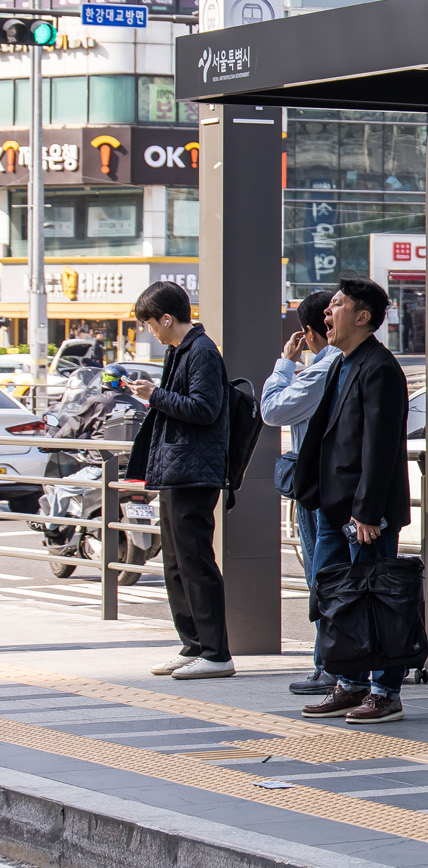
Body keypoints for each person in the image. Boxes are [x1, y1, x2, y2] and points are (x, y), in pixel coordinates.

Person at [295, 278, 413, 725]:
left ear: (363, 317)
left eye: (338, 304)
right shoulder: (342, 362)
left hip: (364, 511)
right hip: (332, 505)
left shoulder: (380, 367)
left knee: (376, 599)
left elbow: (381, 445)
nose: (328, 312)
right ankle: (349, 682)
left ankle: (385, 691)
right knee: (338, 598)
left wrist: (368, 510)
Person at [126, 281, 234, 681]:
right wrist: (154, 395)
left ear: (167, 318)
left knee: (195, 560)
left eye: (150, 323)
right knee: (175, 561)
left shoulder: (202, 352)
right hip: (177, 469)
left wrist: (154, 396)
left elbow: (205, 409)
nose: (149, 331)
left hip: (194, 471)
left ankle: (216, 652)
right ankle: (192, 645)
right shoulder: (181, 351)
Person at [260, 290, 341, 697]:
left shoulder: (323, 368)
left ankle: (330, 666)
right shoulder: (350, 364)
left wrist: (285, 364)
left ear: (311, 331)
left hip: (319, 489)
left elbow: (273, 411)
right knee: (333, 576)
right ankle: (338, 666)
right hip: (331, 486)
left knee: (322, 577)